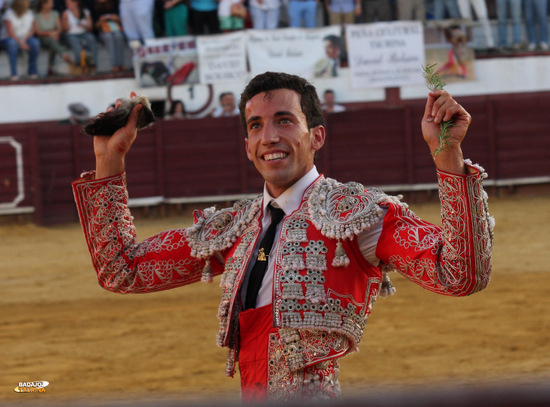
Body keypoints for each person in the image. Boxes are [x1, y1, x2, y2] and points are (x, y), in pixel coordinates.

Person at [72, 71, 493, 402]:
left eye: (285, 121)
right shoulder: (235, 227)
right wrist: (110, 160)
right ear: (247, 145)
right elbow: (123, 270)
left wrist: (447, 155)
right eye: (256, 126)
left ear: (317, 136)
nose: (269, 136)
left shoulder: (355, 214)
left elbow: (458, 273)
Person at [0, 0, 41, 81]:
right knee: (12, 43)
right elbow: (10, 33)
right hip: (8, 39)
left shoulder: (29, 12)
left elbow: (33, 28)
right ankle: (14, 73)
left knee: (35, 42)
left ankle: (32, 71)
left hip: (25, 38)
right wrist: (21, 43)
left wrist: (25, 39)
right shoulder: (9, 13)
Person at [34, 0, 72, 76]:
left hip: (53, 36)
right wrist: (49, 33)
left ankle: (50, 69)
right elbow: (37, 31)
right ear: (44, 4)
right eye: (50, 3)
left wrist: (55, 33)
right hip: (42, 37)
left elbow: (60, 28)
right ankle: (63, 54)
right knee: (52, 40)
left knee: (53, 42)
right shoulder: (36, 15)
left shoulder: (55, 13)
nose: (53, 4)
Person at [62, 0, 99, 74]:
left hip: (84, 33)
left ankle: (93, 65)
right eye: (66, 4)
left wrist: (84, 25)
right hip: (72, 34)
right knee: (76, 45)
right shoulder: (66, 13)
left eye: (69, 3)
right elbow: (65, 29)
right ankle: (81, 66)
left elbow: (90, 27)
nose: (67, 5)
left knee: (92, 39)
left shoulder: (85, 12)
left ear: (75, 2)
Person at [92, 0, 126, 73]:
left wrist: (116, 18)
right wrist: (101, 21)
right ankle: (115, 65)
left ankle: (121, 63)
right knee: (108, 37)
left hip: (116, 30)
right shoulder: (93, 5)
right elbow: (94, 27)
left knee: (118, 36)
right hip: (102, 32)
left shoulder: (114, 3)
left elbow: (123, 20)